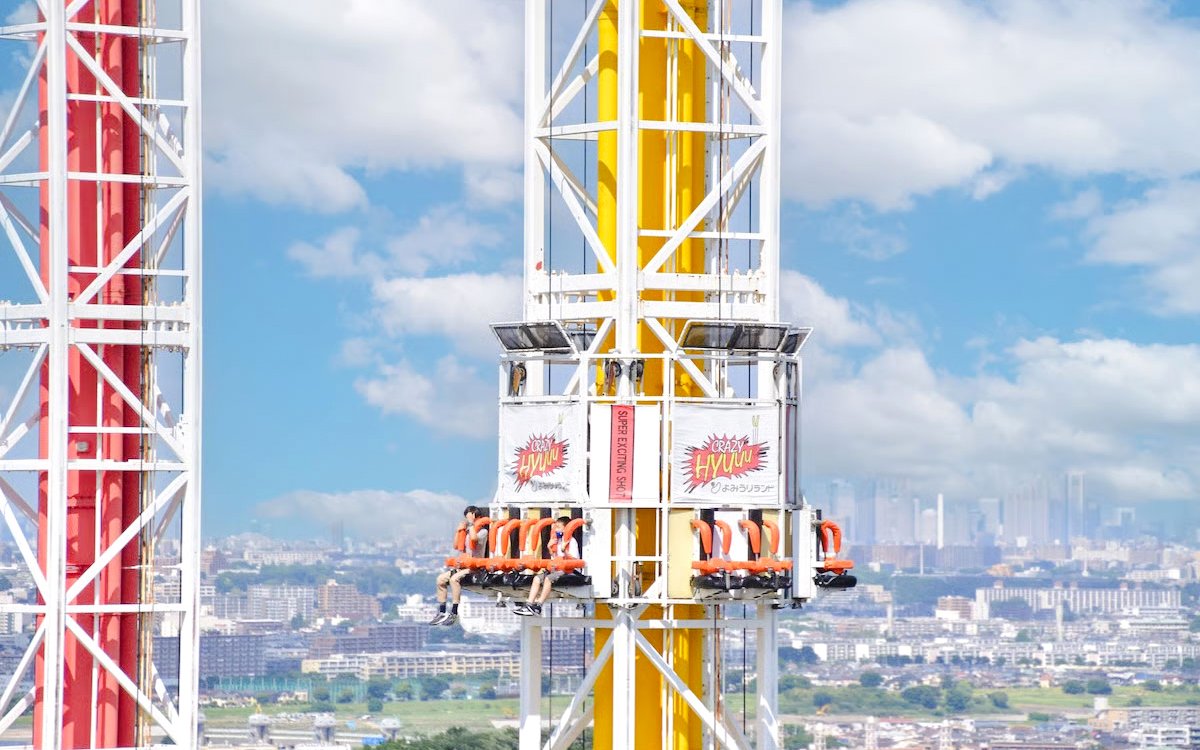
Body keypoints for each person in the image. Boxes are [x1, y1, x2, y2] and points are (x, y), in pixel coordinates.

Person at [431, 506, 487, 626]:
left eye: (469, 515)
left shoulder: (483, 532)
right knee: (440, 579)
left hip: (474, 567)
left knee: (454, 579)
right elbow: (458, 546)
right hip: (463, 565)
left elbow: (474, 539)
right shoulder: (467, 532)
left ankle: (454, 612)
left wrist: (471, 524)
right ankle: (442, 611)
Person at [515, 516, 578, 616]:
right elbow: (555, 558)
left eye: (558, 527)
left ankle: (538, 605)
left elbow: (575, 560)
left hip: (568, 570)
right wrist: (549, 547)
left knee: (548, 579)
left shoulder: (571, 541)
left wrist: (563, 550)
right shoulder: (558, 541)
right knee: (537, 579)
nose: (556, 529)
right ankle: (529, 604)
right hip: (556, 568)